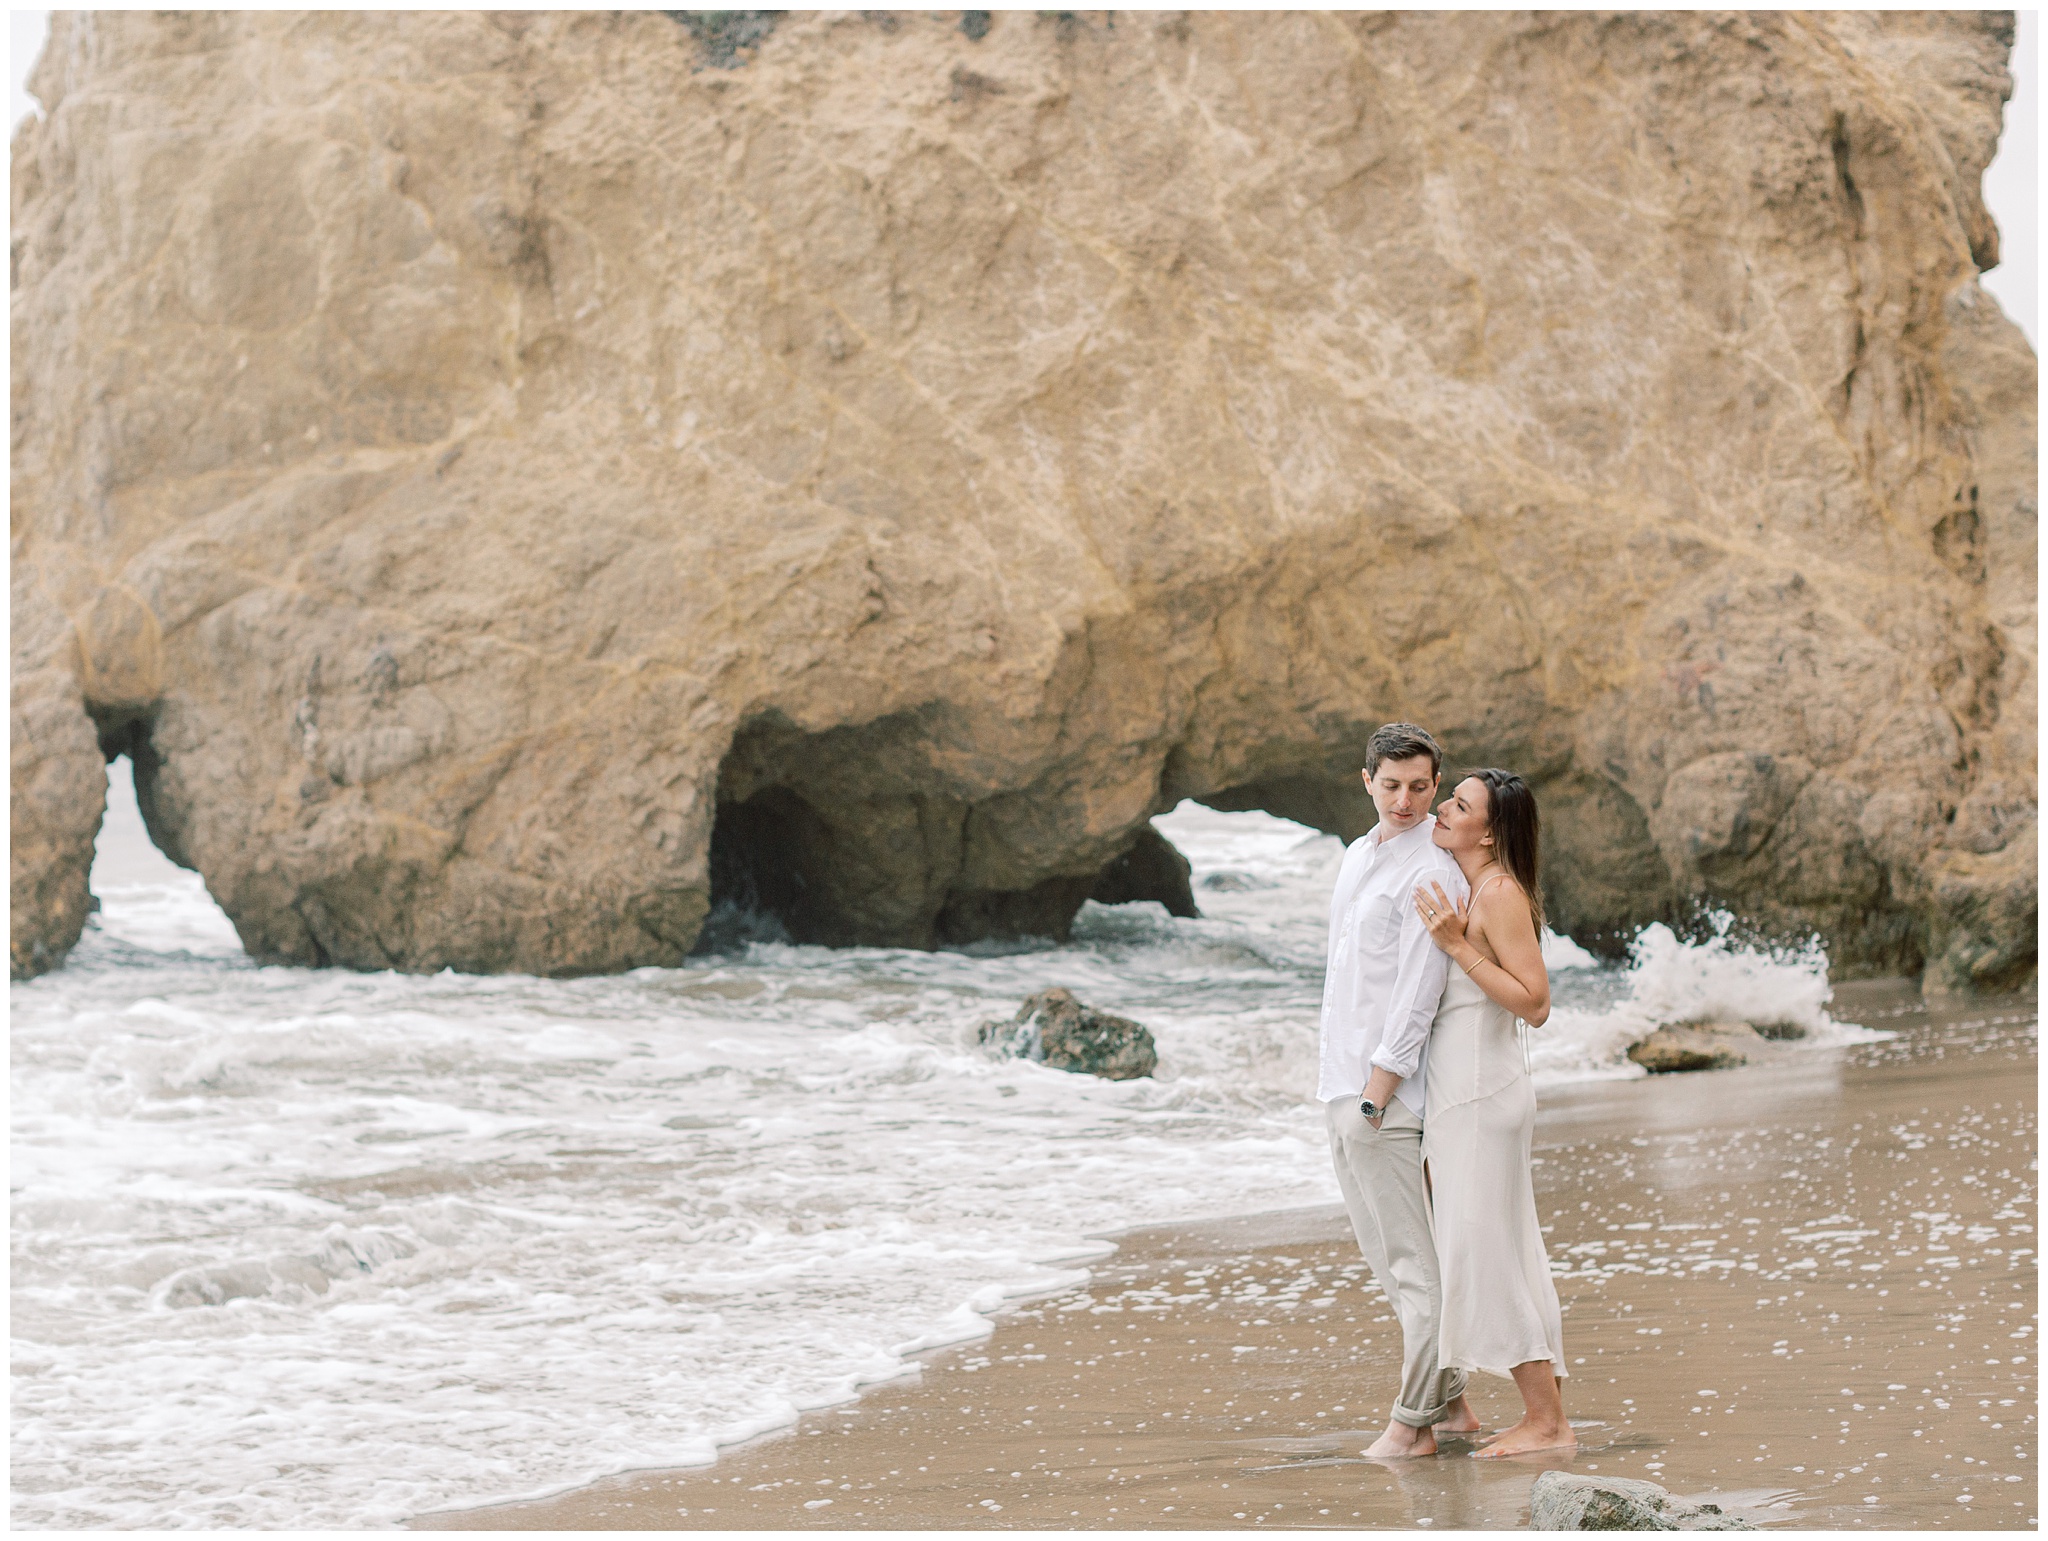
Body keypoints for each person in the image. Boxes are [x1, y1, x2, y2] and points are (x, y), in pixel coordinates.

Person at [1319, 722, 1479, 1459]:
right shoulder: (1357, 855)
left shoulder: (1432, 873)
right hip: (1340, 1083)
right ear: (1367, 781)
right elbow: (1345, 980)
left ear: (1436, 786)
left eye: (1420, 786)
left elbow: (1418, 996)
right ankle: (1456, 1413)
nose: (1407, 800)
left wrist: (1375, 1097)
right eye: (1392, 785)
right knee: (1392, 1263)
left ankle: (1410, 1424)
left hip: (1381, 1096)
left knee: (1414, 1268)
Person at [1414, 768, 1574, 1458]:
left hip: (1483, 1097)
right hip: (1465, 1096)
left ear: (1491, 829)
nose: (1443, 808)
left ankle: (1544, 1421)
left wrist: (1456, 947)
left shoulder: (1499, 892)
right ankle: (1538, 1416)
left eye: (1459, 803)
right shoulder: (1472, 888)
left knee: (1486, 1251)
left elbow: (1535, 1002)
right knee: (1499, 1248)